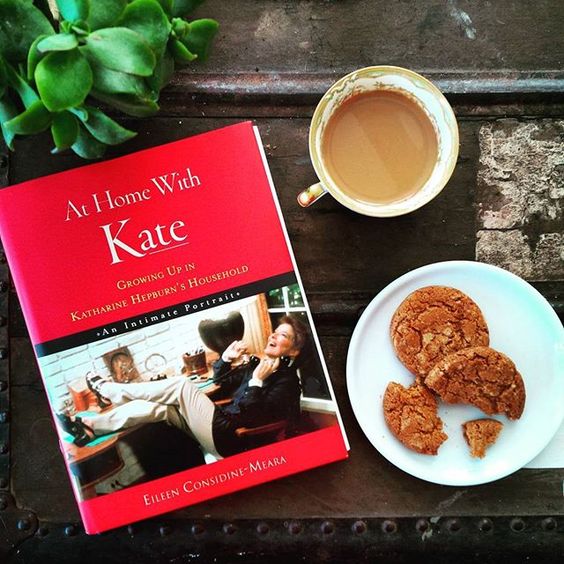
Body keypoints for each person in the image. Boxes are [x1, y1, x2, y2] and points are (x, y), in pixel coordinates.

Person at [57, 315, 307, 459]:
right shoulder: (257, 364)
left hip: (230, 439)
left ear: (293, 351)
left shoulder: (287, 382)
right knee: (159, 409)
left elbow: (252, 415)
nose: (273, 336)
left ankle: (111, 391)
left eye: (282, 335)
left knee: (180, 385)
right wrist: (226, 358)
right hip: (218, 426)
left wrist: (257, 382)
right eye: (275, 332)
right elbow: (221, 381)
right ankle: (91, 428)